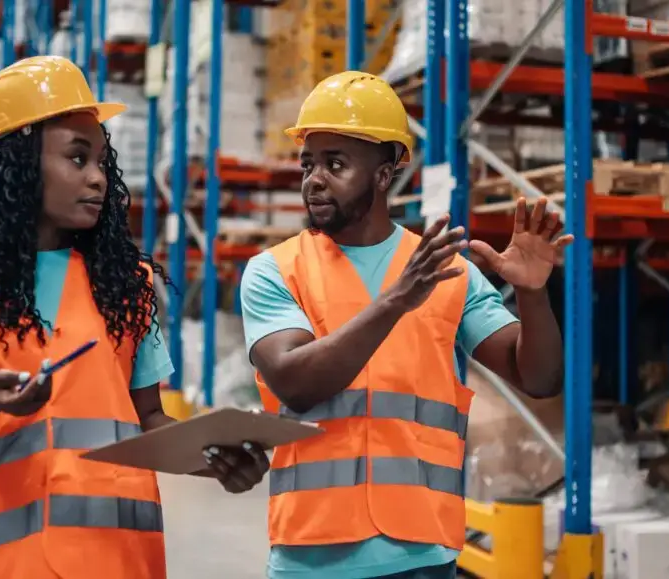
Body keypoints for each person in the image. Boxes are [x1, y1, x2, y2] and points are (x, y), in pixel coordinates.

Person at [0, 55, 267, 579]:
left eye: (101, 162)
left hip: (114, 562)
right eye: (76, 158)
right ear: (18, 165)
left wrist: (215, 457)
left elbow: (148, 422)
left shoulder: (125, 286)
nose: (98, 179)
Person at [239, 70, 572, 579]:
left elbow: (540, 378)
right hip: (312, 554)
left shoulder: (445, 270)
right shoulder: (274, 271)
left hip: (423, 554)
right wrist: (396, 300)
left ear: (383, 173)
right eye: (308, 163)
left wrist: (532, 294)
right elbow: (295, 383)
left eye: (335, 164)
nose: (314, 179)